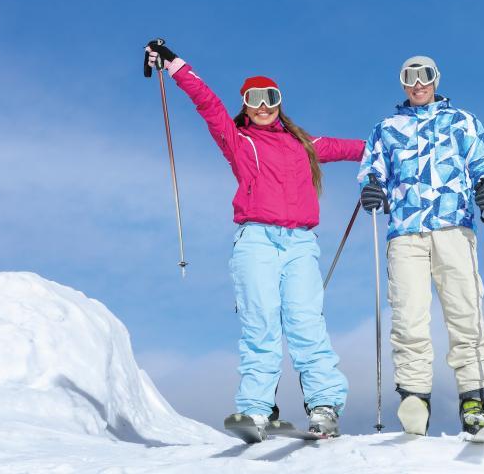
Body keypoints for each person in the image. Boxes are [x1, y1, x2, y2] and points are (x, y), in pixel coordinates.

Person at [144, 41, 364, 438]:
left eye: (271, 97)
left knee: (305, 322)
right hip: (256, 240)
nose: (263, 106)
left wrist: (397, 150)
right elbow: (207, 102)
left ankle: (324, 404)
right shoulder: (237, 140)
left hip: (299, 243)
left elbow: (360, 149)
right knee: (259, 323)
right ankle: (256, 410)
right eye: (254, 98)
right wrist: (175, 64)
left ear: (279, 102)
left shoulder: (305, 145)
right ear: (244, 104)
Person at [357, 56, 484, 435]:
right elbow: (372, 168)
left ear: (436, 79)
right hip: (406, 231)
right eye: (409, 77)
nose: (418, 83)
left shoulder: (462, 120)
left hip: (453, 226)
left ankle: (473, 399)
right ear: (402, 82)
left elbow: (483, 159)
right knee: (408, 316)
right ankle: (415, 398)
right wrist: (372, 187)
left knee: (465, 311)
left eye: (425, 76)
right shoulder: (387, 128)